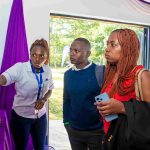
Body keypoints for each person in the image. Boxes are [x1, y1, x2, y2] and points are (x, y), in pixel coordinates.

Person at [95, 29, 150, 146]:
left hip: (128, 142)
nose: (107, 49)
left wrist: (122, 108)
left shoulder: (141, 75)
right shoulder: (110, 74)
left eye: (113, 45)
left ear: (127, 48)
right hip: (109, 137)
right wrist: (105, 107)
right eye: (107, 44)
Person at [0, 38, 54, 150]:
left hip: (40, 117)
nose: (37, 59)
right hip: (21, 117)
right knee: (21, 147)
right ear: (30, 54)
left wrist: (43, 100)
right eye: (34, 54)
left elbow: (50, 90)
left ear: (46, 57)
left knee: (40, 147)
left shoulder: (47, 70)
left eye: (41, 56)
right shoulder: (20, 68)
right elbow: (5, 78)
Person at [63, 37, 104, 150]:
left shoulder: (99, 71)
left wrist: (107, 127)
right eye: (71, 50)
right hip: (74, 131)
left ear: (88, 53)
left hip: (96, 131)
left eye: (76, 51)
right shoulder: (68, 75)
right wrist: (66, 122)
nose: (71, 53)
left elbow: (104, 99)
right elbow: (67, 100)